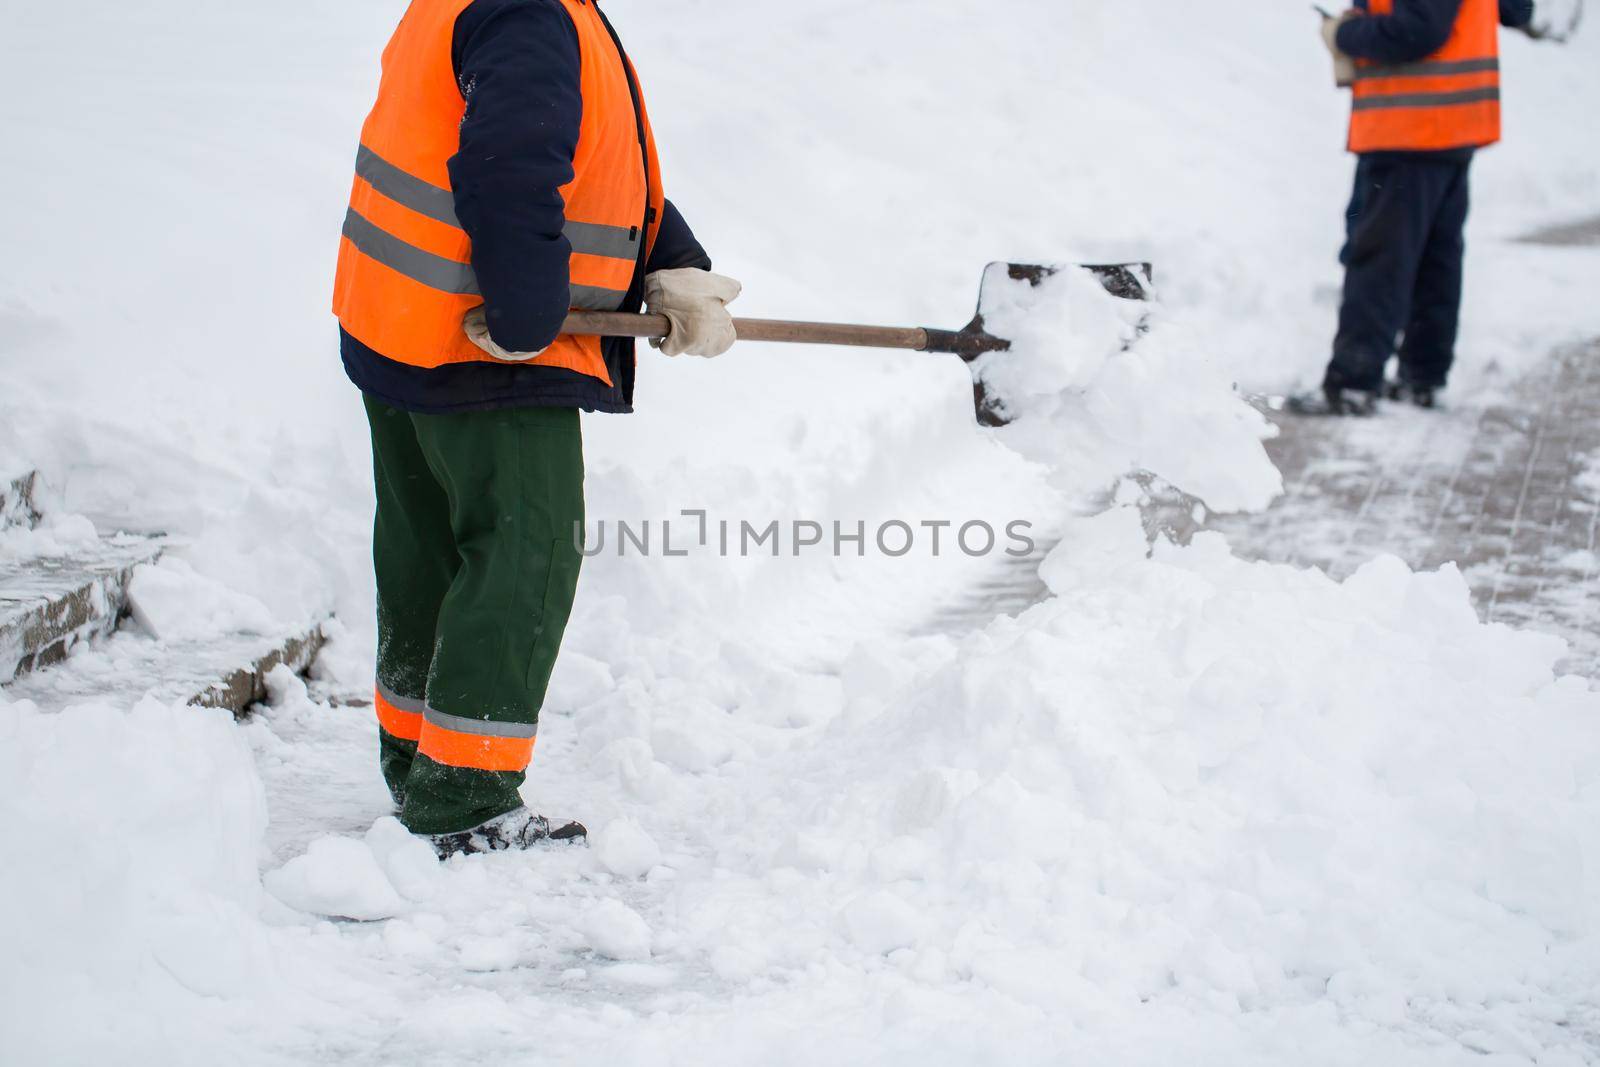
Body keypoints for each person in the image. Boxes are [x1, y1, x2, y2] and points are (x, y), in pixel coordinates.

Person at [331, 0, 742, 856]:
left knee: (427, 551)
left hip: (402, 322)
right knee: (526, 550)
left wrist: (673, 262)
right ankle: (466, 800)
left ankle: (420, 762)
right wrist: (527, 319)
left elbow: (589, 151)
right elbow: (511, 168)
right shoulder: (529, 10)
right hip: (485, 346)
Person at [1290, 0, 1539, 415]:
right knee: (1434, 259)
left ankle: (1353, 383)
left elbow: (1419, 30)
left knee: (1380, 260)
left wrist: (1344, 34)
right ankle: (1421, 376)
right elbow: (1517, 10)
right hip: (1452, 125)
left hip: (1410, 126)